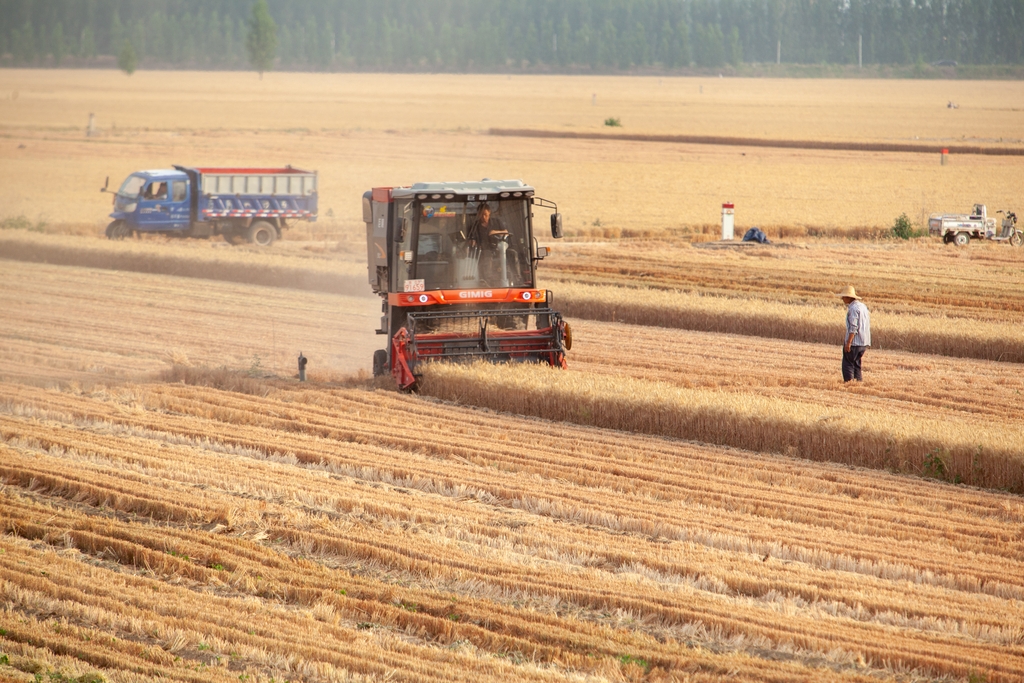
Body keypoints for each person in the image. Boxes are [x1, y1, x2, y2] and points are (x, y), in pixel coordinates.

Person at [838, 285, 871, 382]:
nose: (842, 298)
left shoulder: (852, 309)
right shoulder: (862, 306)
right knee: (856, 365)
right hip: (864, 342)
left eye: (843, 296)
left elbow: (853, 327)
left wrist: (848, 343)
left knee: (847, 364)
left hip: (854, 342)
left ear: (849, 297)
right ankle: (858, 385)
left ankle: (849, 385)